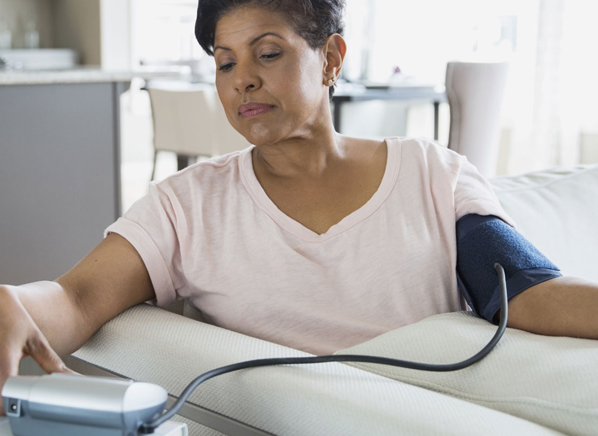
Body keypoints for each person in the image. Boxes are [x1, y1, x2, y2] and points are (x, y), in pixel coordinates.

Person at [1, 0, 597, 416]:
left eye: (267, 54)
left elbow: (523, 288)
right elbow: (77, 297)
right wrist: (16, 301)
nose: (241, 83)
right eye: (226, 63)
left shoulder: (430, 172)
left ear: (331, 57)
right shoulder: (186, 204)